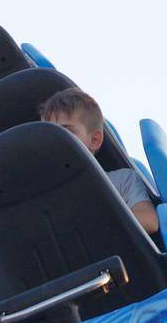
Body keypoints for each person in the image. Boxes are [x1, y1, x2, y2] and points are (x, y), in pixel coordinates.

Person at [39, 87, 159, 234]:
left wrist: (90, 223)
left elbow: (150, 221)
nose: (56, 140)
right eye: (48, 134)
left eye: (65, 132)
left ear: (95, 139)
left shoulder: (122, 180)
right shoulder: (42, 192)